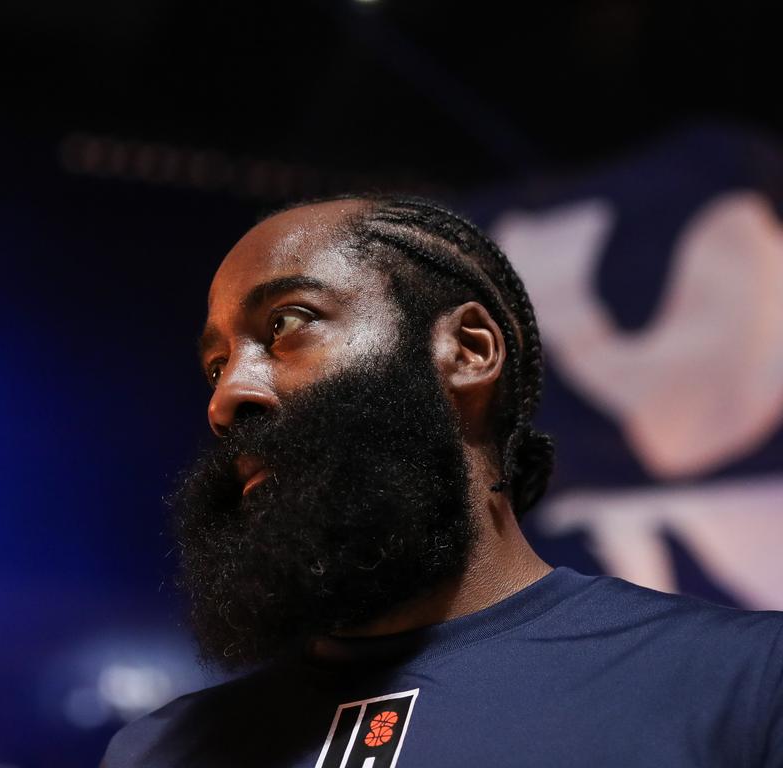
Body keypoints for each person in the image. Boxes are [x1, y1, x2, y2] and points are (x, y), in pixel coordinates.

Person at [101, 195, 783, 767]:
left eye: (286, 325)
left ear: (468, 351)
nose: (226, 401)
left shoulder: (744, 683)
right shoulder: (157, 751)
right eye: (216, 366)